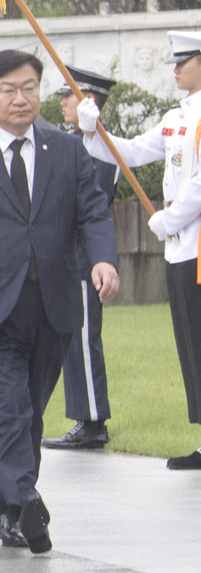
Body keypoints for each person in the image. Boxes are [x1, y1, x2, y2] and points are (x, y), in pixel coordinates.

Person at [0, 49, 119, 554]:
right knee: (11, 409)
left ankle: (7, 507)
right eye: (8, 90)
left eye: (29, 87)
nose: (20, 98)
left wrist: (103, 260)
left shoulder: (67, 151)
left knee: (28, 409)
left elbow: (94, 214)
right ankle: (26, 497)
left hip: (53, 305)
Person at [71, 33, 201, 469]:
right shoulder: (177, 116)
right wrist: (95, 130)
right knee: (191, 344)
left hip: (195, 242)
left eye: (185, 60)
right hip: (179, 249)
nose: (175, 68)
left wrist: (172, 218)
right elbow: (130, 153)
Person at [45, 68, 119, 451]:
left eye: (69, 96)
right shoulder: (71, 141)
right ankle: (82, 415)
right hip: (65, 254)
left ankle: (92, 421)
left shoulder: (103, 144)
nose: (62, 102)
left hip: (87, 256)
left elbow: (96, 197)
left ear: (88, 101)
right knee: (71, 339)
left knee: (85, 338)